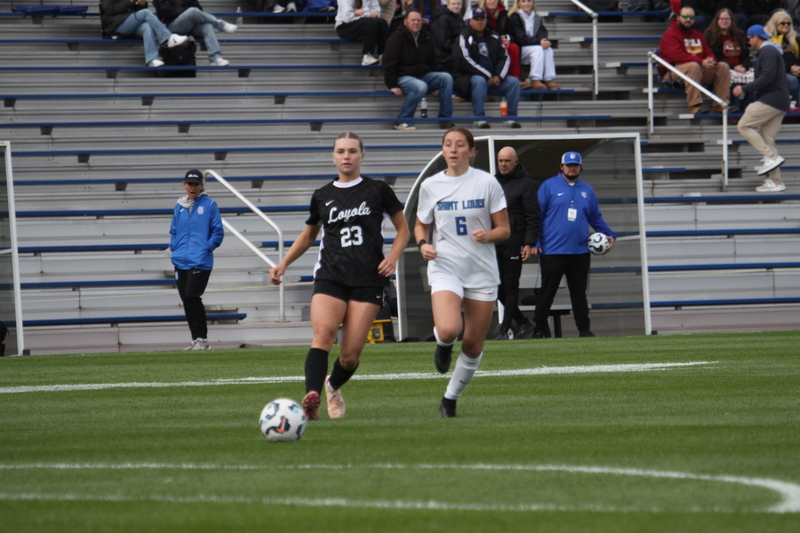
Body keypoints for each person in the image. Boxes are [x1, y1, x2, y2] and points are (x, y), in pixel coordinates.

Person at [268, 132, 410, 420]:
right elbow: (309, 236)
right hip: (330, 275)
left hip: (368, 279)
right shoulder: (322, 195)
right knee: (323, 334)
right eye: (341, 151)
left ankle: (332, 386)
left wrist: (393, 258)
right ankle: (312, 398)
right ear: (333, 156)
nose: (347, 156)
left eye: (352, 151)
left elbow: (403, 230)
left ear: (362, 155)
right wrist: (283, 263)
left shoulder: (378, 190)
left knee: (349, 356)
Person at [415, 127, 510, 418]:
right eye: (448, 144)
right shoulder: (431, 185)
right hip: (446, 266)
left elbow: (504, 230)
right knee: (448, 329)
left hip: (481, 270)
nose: (453, 149)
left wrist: (489, 235)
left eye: (459, 145)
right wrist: (422, 245)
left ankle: (450, 398)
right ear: (443, 150)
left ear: (471, 151)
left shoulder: (487, 182)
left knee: (472, 344)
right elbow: (421, 225)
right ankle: (443, 345)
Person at [532, 152, 616, 339]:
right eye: (568, 165)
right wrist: (536, 241)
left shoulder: (587, 190)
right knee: (547, 293)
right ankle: (538, 329)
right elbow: (537, 216)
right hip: (553, 250)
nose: (572, 168)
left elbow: (595, 217)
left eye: (575, 165)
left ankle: (584, 330)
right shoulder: (548, 186)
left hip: (579, 251)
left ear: (580, 167)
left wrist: (610, 235)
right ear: (561, 167)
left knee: (579, 294)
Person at [170, 169, 224, 350]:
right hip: (180, 260)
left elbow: (218, 231)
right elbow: (174, 230)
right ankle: (195, 339)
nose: (192, 188)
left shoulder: (209, 205)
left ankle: (202, 339)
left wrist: (205, 248)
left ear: (202, 185)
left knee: (193, 296)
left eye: (196, 184)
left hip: (200, 260)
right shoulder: (179, 206)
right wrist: (174, 247)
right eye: (189, 184)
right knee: (186, 299)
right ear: (184, 185)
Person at [733, 25, 790, 192]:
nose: (749, 42)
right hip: (780, 101)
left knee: (743, 125)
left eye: (749, 39)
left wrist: (744, 88)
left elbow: (767, 76)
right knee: (768, 140)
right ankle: (776, 181)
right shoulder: (772, 51)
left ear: (755, 37)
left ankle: (771, 157)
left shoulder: (768, 52)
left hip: (771, 99)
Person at [493, 146, 540, 340]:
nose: (503, 164)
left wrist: (529, 243)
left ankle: (504, 329)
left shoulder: (526, 183)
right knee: (495, 286)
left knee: (511, 286)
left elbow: (533, 215)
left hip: (514, 242)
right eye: (500, 161)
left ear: (515, 161)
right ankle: (522, 322)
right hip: (495, 241)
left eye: (507, 161)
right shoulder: (493, 182)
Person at [383, 9, 454, 130]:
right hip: (403, 77)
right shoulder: (397, 37)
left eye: (418, 20)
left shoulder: (426, 36)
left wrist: (433, 86)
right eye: (413, 20)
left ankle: (445, 119)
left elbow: (432, 61)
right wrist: (392, 85)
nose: (416, 23)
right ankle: (402, 120)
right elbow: (388, 62)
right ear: (405, 22)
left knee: (446, 78)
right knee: (420, 86)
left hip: (422, 76)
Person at [454, 7, 522, 129]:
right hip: (468, 80)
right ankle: (479, 119)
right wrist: (487, 76)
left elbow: (504, 57)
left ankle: (511, 118)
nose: (479, 22)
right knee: (479, 81)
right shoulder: (463, 37)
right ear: (470, 21)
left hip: (492, 80)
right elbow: (465, 61)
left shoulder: (493, 36)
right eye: (476, 19)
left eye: (482, 19)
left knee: (513, 82)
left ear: (486, 21)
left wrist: (498, 76)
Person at [659, 6, 732, 114]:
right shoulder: (670, 34)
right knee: (693, 65)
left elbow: (707, 51)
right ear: (678, 18)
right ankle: (695, 105)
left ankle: (720, 105)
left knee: (723, 66)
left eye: (691, 17)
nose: (688, 19)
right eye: (685, 16)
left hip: (697, 69)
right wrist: (701, 61)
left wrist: (710, 61)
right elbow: (678, 57)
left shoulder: (697, 34)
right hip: (673, 70)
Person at [100, 0, 189, 67]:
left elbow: (137, 10)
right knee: (145, 13)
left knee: (146, 26)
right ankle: (168, 38)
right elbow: (109, 9)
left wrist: (142, 4)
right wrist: (130, 1)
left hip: (130, 21)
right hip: (116, 24)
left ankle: (151, 59)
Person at [152, 0, 237, 67]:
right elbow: (166, 12)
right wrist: (186, 11)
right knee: (192, 12)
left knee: (207, 26)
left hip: (189, 23)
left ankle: (215, 57)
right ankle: (220, 25)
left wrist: (186, 12)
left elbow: (198, 7)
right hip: (171, 26)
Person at [705, 7, 752, 110]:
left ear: (732, 21)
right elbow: (716, 57)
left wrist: (744, 67)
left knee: (754, 84)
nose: (724, 21)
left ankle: (745, 109)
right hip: (724, 69)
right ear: (717, 20)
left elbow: (746, 55)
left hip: (740, 69)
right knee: (735, 85)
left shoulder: (739, 35)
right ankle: (732, 113)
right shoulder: (711, 36)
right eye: (722, 19)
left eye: (727, 19)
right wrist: (734, 67)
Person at [507, 0, 559, 90]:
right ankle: (535, 79)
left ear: (533, 3)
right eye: (523, 1)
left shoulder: (536, 17)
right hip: (521, 49)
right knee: (538, 49)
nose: (526, 4)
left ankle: (548, 79)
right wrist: (539, 42)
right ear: (518, 3)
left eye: (529, 1)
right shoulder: (515, 17)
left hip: (533, 47)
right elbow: (520, 37)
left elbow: (542, 31)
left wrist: (544, 40)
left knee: (548, 49)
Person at [335, 0, 390, 66]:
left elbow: (377, 13)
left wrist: (363, 11)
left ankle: (382, 54)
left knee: (382, 22)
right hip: (344, 26)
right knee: (370, 22)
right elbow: (347, 18)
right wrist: (368, 13)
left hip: (363, 22)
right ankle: (367, 55)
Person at [479, 0, 523, 82]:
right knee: (503, 48)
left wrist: (508, 38)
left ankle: (515, 78)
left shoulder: (504, 14)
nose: (492, 1)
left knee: (513, 47)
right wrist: (498, 39)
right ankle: (500, 77)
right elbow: (482, 31)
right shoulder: (479, 12)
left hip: (501, 42)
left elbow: (511, 32)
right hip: (486, 42)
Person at [765, 10, 800, 106]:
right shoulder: (769, 39)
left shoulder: (794, 39)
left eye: (788, 23)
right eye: (783, 23)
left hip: (795, 70)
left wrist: (797, 68)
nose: (786, 25)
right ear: (775, 23)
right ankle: (793, 108)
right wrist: (789, 68)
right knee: (793, 81)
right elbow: (772, 61)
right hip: (777, 72)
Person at [430, 0, 466, 72]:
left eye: (458, 4)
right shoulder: (442, 19)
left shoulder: (458, 17)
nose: (456, 6)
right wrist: (460, 49)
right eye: (453, 4)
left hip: (455, 52)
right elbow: (443, 43)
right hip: (444, 56)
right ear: (448, 5)